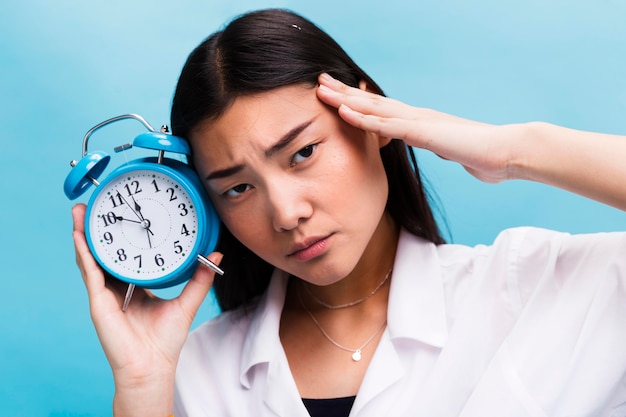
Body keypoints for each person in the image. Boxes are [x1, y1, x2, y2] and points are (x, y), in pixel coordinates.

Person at [71, 8, 626, 417]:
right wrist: (143, 388)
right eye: (237, 189)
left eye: (303, 153)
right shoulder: (195, 371)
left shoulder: (536, 290)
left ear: (371, 119)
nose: (286, 213)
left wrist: (512, 150)